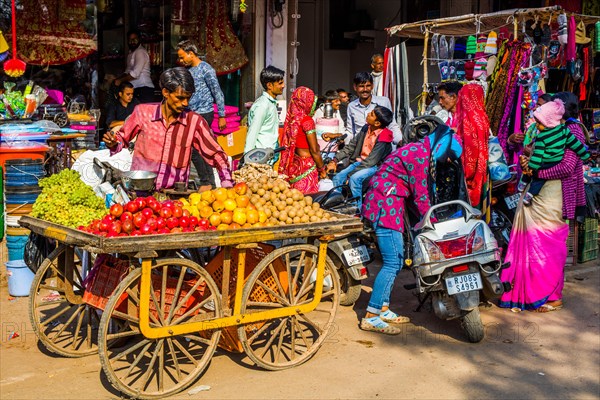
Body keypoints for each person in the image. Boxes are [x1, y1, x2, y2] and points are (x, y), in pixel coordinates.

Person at [499, 92, 587, 313]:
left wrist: (535, 170)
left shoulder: (572, 129)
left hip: (553, 195)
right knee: (532, 241)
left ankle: (551, 294)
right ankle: (528, 291)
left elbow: (567, 167)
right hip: (539, 192)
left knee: (548, 244)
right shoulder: (546, 126)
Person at [102, 67, 233, 191]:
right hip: (141, 192)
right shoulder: (142, 112)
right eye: (180, 98)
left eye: (188, 98)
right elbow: (121, 138)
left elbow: (216, 153)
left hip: (174, 196)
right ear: (166, 92)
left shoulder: (194, 121)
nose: (185, 103)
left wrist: (227, 182)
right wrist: (113, 142)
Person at [359, 128, 435, 334]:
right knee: (392, 262)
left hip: (384, 202)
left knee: (396, 260)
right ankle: (371, 317)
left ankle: (382, 309)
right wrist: (432, 220)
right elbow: (421, 195)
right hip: (386, 206)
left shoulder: (414, 149)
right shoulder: (419, 156)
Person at [176, 39, 228, 191]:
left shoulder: (206, 69)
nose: (180, 60)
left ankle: (207, 182)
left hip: (205, 113)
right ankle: (208, 183)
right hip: (191, 114)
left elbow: (217, 92)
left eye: (182, 56)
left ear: (191, 54)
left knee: (197, 149)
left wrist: (222, 115)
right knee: (196, 149)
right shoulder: (188, 71)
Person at [519, 99, 589, 205]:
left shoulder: (542, 137)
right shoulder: (564, 130)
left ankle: (527, 193)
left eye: (539, 123)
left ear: (548, 121)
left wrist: (531, 166)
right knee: (537, 179)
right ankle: (527, 190)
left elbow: (538, 155)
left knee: (536, 179)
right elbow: (575, 144)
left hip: (544, 163)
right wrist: (584, 154)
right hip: (556, 161)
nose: (536, 125)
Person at [328, 106, 394, 207]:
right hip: (360, 163)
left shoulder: (384, 137)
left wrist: (350, 174)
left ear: (377, 123)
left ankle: (357, 209)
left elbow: (371, 161)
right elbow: (351, 146)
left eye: (371, 114)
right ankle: (337, 204)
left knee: (355, 179)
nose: (368, 114)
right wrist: (335, 160)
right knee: (338, 178)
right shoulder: (365, 128)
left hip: (374, 166)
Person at [278, 87, 327, 194]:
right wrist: (322, 169)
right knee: (308, 204)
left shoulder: (292, 120)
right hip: (306, 168)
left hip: (294, 167)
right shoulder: (307, 121)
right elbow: (314, 150)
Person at [454, 83, 489, 208]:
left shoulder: (468, 119)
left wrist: (466, 174)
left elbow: (470, 151)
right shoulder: (482, 116)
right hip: (482, 169)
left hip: (472, 174)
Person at [346, 72, 401, 146]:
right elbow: (350, 132)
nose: (365, 89)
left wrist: (400, 141)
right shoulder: (351, 106)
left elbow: (392, 125)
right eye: (361, 86)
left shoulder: (384, 102)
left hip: (382, 148)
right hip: (361, 149)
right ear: (355, 87)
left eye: (368, 86)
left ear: (372, 86)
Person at [244, 65, 285, 154]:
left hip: (268, 154)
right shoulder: (262, 106)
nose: (283, 86)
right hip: (260, 156)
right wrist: (247, 158)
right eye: (280, 83)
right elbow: (252, 133)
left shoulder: (271, 103)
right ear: (269, 85)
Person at [114, 29, 155, 103]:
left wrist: (120, 80)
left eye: (134, 39)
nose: (132, 42)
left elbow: (135, 74)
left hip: (144, 89)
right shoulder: (131, 53)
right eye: (130, 40)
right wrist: (117, 79)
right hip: (135, 89)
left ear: (139, 39)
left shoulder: (140, 52)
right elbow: (128, 71)